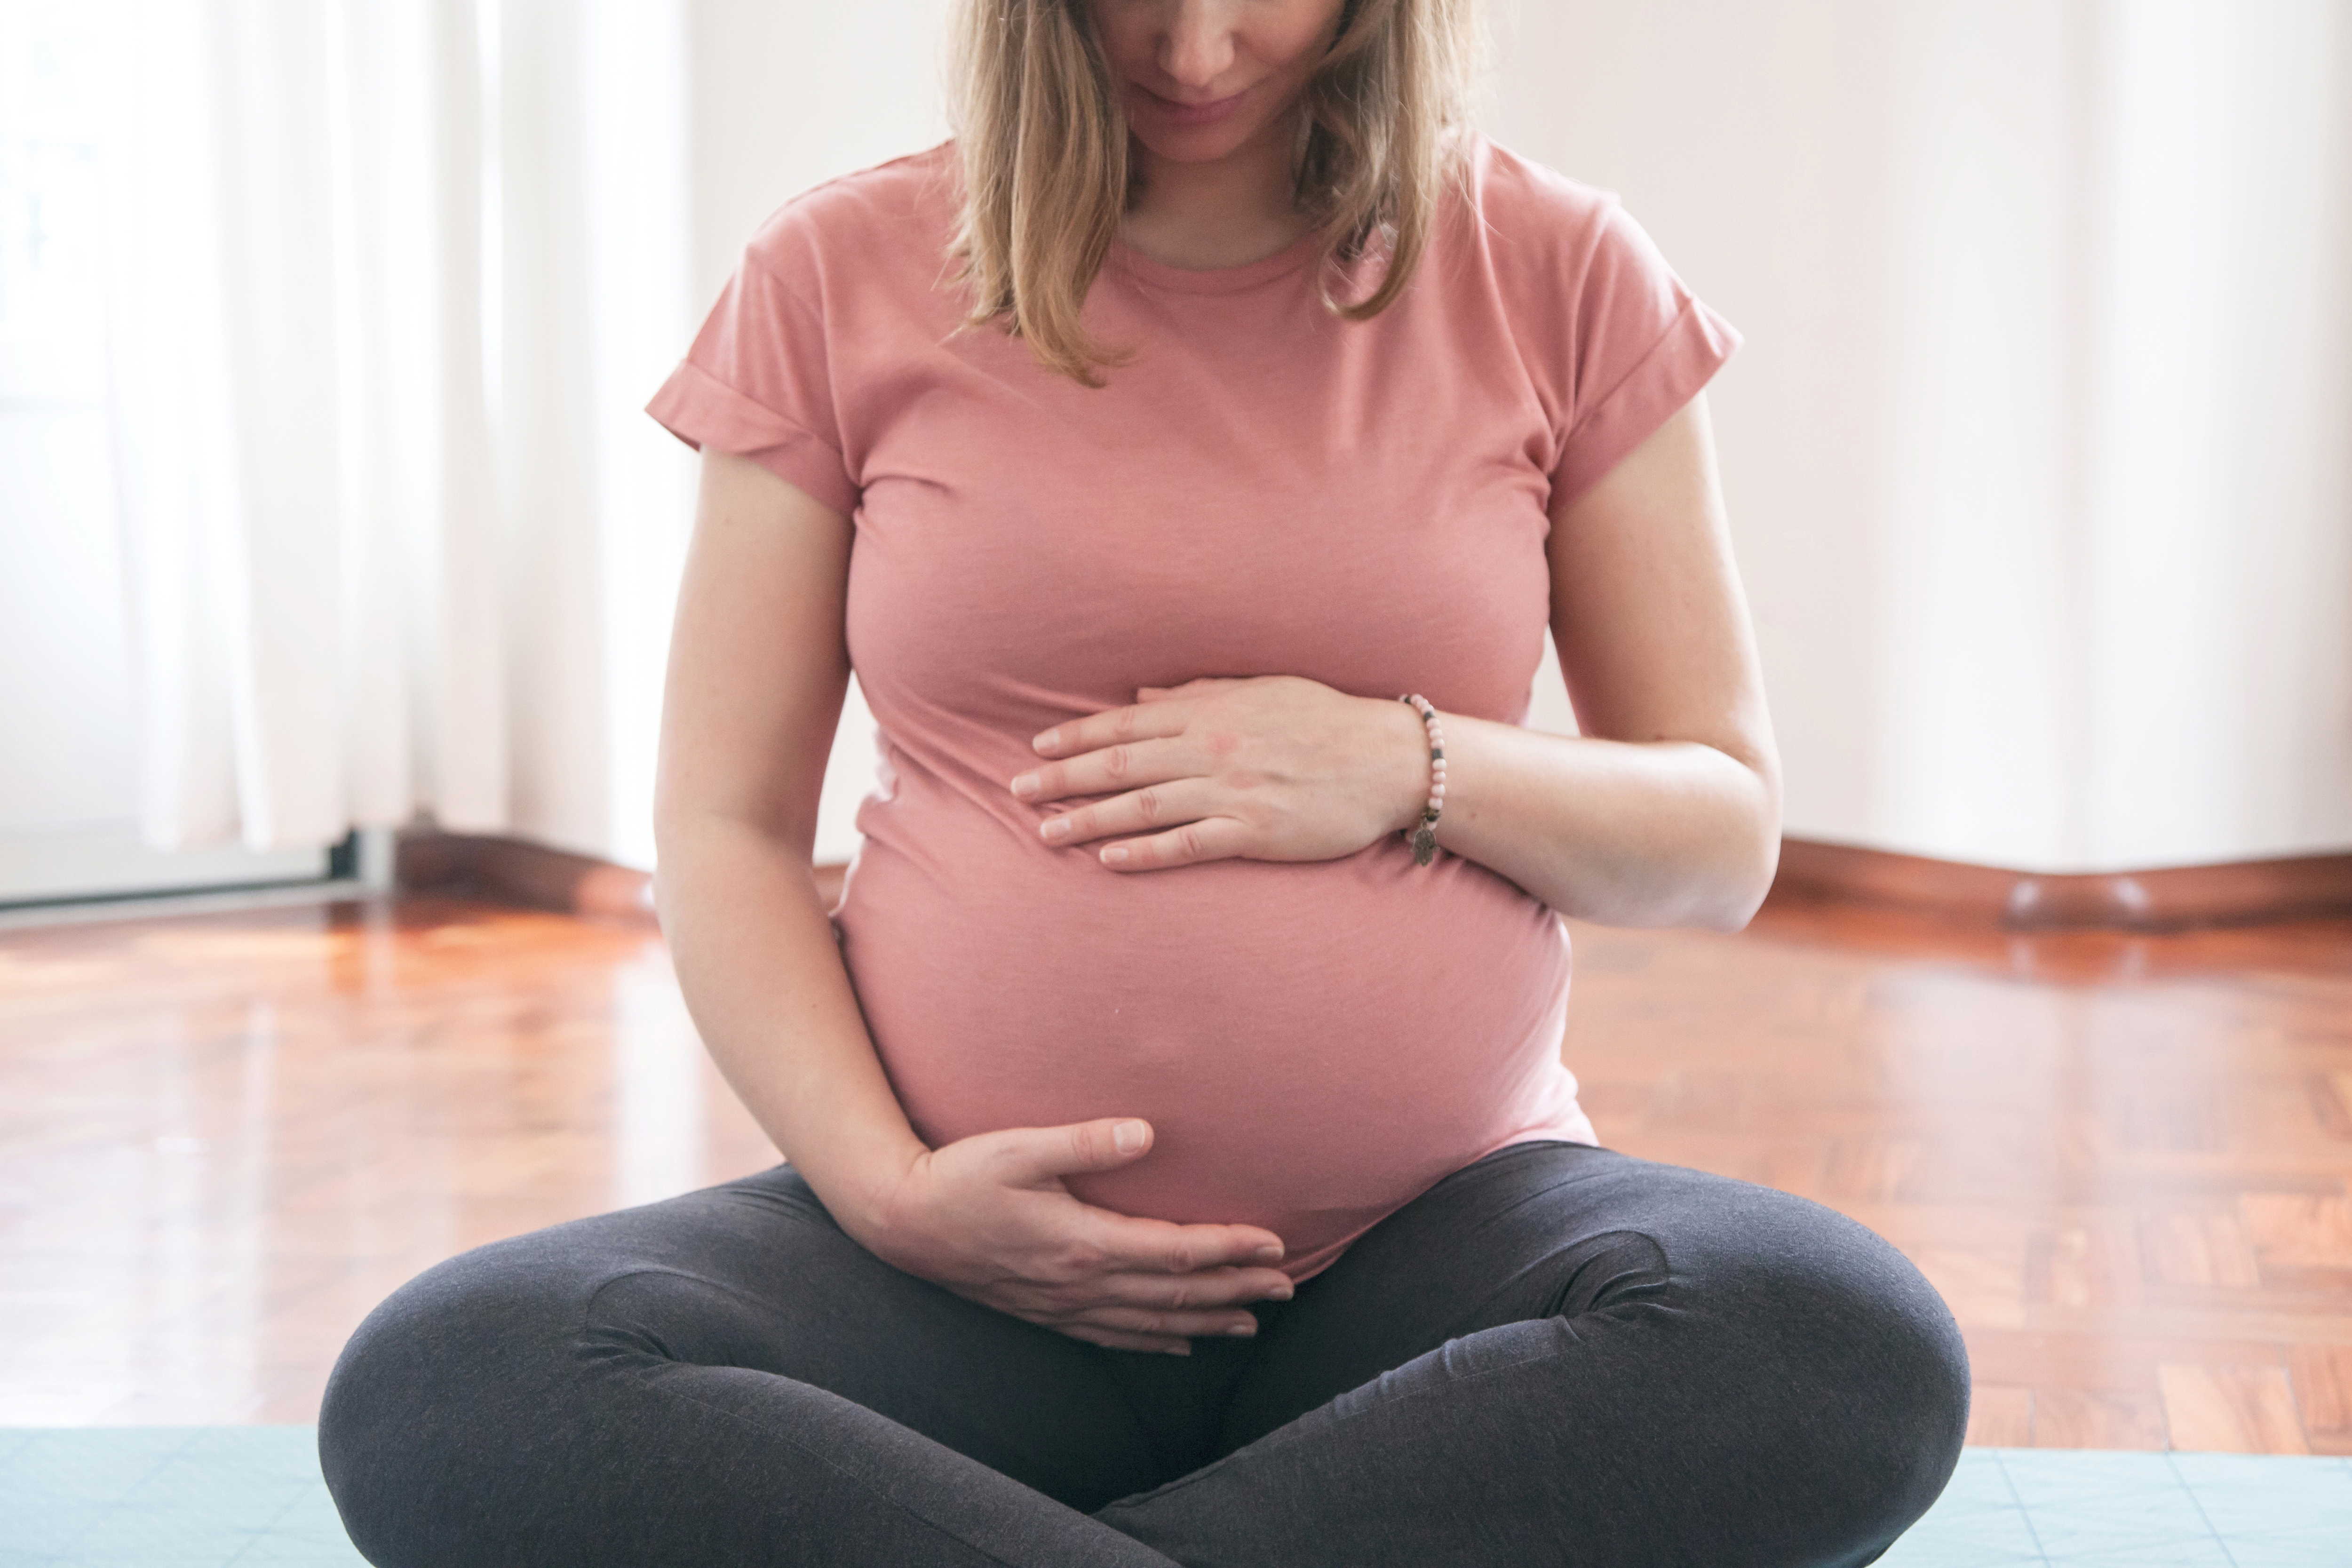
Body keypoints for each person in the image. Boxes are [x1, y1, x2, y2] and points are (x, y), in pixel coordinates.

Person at [318, 1, 1969, 1562]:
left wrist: (1409, 761)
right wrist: (893, 1197)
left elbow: (1721, 835)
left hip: (1437, 1265)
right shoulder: (837, 273)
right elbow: (726, 828)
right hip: (956, 1286)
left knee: (1832, 1342)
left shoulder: (1559, 269)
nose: (1193, 50)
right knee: (455, 1386)